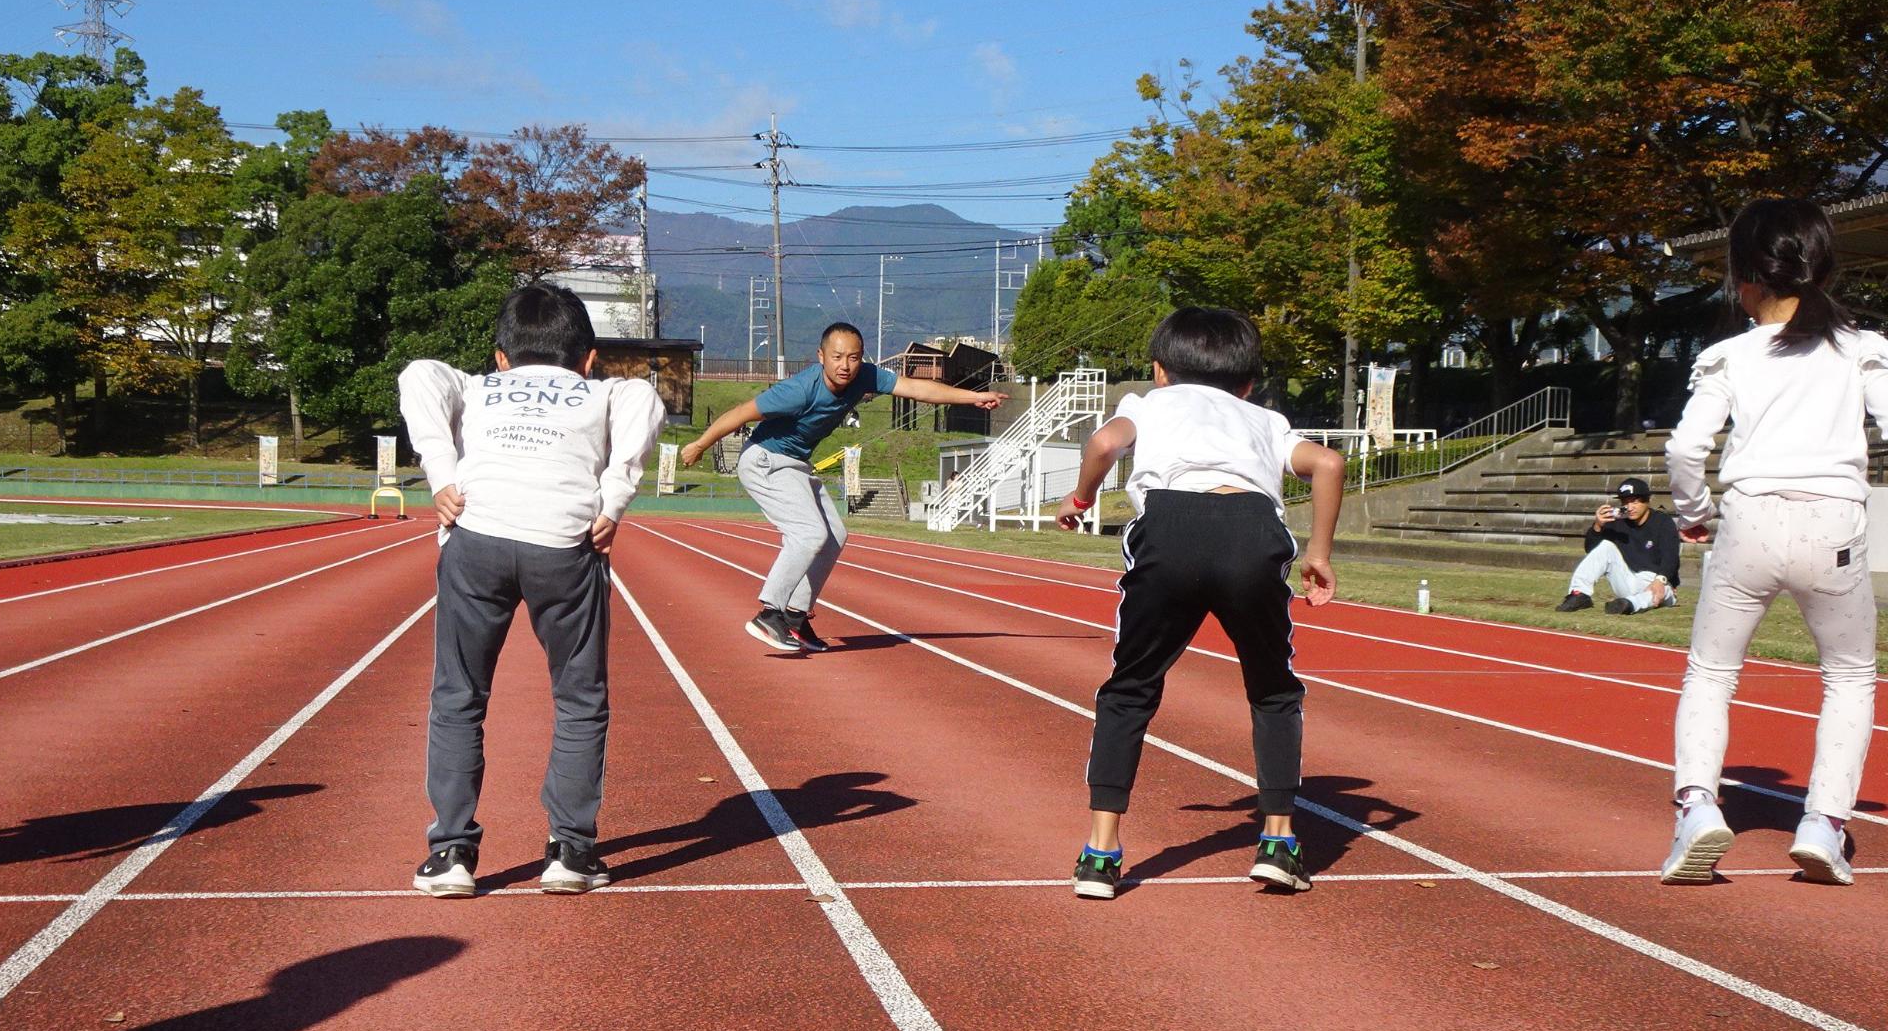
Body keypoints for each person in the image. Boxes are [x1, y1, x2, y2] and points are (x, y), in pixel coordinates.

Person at [1053, 307, 1346, 896]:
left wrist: (1081, 497)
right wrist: (1318, 552)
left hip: (1171, 527)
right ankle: (1279, 842)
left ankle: (1100, 853)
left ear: (1161, 371)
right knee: (1273, 688)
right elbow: (1329, 463)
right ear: (1248, 383)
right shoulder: (1264, 419)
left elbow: (1105, 443)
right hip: (1251, 530)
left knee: (1131, 686)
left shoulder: (1148, 403)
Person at [400, 283, 666, 898]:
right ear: (589, 358)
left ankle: (451, 854)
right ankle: (571, 849)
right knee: (578, 700)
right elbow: (643, 399)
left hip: (476, 536)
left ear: (500, 358)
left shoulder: (473, 385)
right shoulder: (605, 391)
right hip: (566, 544)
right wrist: (614, 500)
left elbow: (419, 375)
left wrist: (442, 474)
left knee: (459, 695)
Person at [1660, 197, 1888, 886]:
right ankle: (1824, 823)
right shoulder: (1865, 349)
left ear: (1742, 280)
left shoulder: (1727, 356)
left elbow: (1684, 448)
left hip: (1750, 519)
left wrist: (1692, 511)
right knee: (1848, 677)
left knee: (1711, 672)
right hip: (1836, 525)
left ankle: (1698, 807)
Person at [680, 322, 1002, 652]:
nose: (845, 365)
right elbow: (740, 413)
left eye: (853, 357)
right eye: (837, 357)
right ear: (821, 356)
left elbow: (920, 390)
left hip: (795, 465)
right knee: (808, 533)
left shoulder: (865, 376)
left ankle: (795, 616)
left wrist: (973, 397)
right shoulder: (798, 390)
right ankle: (769, 613)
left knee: (834, 536)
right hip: (765, 461)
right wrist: (700, 445)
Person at [1554, 477, 1681, 614]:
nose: (1630, 507)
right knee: (1606, 546)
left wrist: (1660, 580)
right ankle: (1579, 595)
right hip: (1627, 579)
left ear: (1647, 500)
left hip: (1656, 581)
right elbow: (1592, 551)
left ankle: (1629, 605)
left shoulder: (1662, 522)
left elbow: (1671, 557)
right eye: (1625, 502)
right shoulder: (1618, 522)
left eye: (1635, 502)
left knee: (1659, 592)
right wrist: (1598, 526)